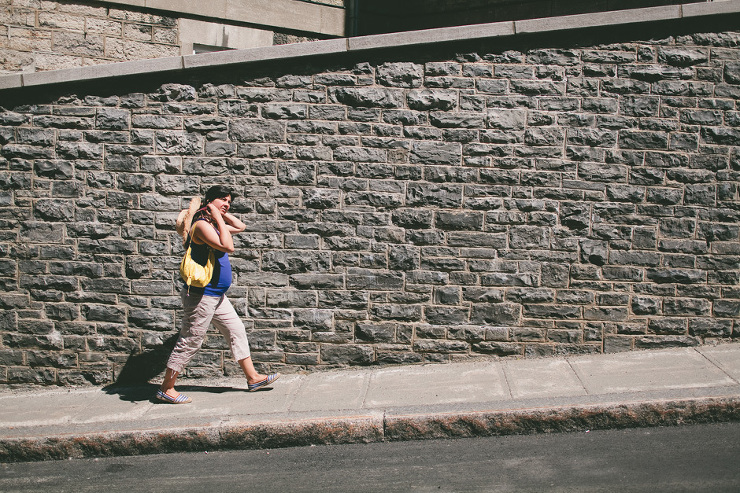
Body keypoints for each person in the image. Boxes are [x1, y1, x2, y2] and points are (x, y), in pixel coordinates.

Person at [157, 185, 279, 404]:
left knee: (236, 330)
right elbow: (228, 246)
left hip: (216, 295)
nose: (227, 203)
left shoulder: (213, 222)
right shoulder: (202, 226)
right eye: (222, 199)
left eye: (229, 201)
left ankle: (253, 378)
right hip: (202, 296)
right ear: (209, 201)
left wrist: (219, 213)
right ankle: (167, 388)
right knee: (191, 340)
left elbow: (240, 226)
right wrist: (214, 214)